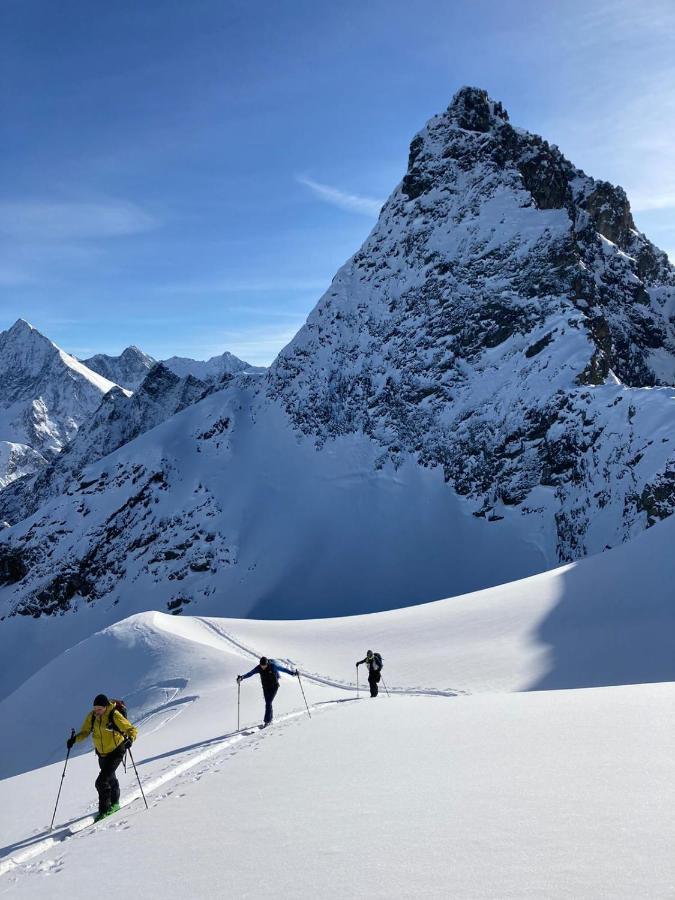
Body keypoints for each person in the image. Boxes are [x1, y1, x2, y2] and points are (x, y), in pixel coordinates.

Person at [67, 694, 138, 821]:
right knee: (110, 778)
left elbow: (131, 729)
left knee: (101, 781)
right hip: (102, 753)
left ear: (106, 707)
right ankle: (115, 803)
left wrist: (130, 740)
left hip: (116, 751)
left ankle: (105, 810)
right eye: (95, 709)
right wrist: (74, 740)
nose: (97, 711)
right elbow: (85, 732)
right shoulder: (92, 716)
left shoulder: (114, 715)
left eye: (99, 709)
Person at [237, 657, 299, 727]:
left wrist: (292, 673)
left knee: (268, 703)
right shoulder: (258, 668)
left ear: (267, 664)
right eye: (261, 665)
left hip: (274, 686)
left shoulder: (272, 666)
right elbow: (250, 673)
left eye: (264, 665)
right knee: (268, 703)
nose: (263, 667)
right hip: (265, 688)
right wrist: (242, 677)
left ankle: (267, 721)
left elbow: (283, 669)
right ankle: (270, 719)